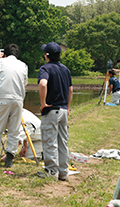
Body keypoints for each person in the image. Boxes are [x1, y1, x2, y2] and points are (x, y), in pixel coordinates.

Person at [0, 44, 28, 168]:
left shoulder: (1, 62)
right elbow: (24, 82)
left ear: (5, 54)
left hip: (3, 98)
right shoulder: (24, 65)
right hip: (18, 99)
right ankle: (9, 159)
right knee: (14, 130)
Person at [37, 42, 73, 181]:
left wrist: (43, 103)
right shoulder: (65, 69)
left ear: (47, 55)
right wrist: (68, 107)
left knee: (49, 141)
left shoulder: (45, 68)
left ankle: (52, 172)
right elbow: (70, 89)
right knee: (62, 142)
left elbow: (42, 84)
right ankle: (63, 172)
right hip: (64, 110)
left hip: (51, 110)